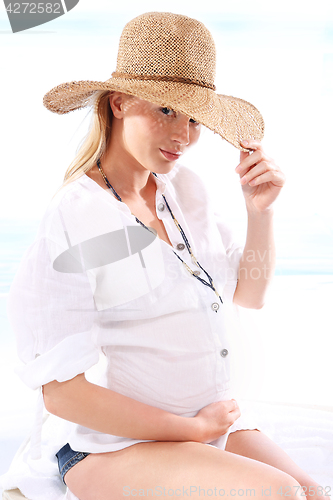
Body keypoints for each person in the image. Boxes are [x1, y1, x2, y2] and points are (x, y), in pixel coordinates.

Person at [1, 11, 328, 500]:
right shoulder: (77, 216)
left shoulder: (185, 192)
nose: (183, 136)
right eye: (166, 111)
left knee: (313, 493)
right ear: (119, 103)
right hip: (111, 444)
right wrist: (190, 430)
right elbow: (62, 392)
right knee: (277, 494)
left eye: (194, 118)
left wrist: (259, 212)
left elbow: (250, 294)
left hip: (206, 420)